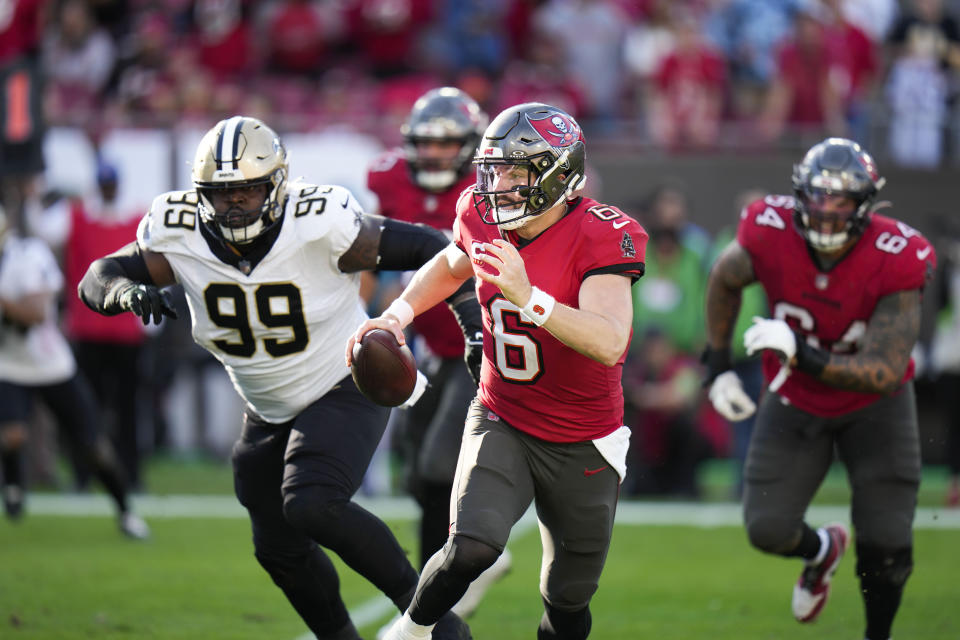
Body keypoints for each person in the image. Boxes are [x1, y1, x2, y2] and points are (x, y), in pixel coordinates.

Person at [78, 116, 477, 640]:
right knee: (278, 549)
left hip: (343, 379)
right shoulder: (178, 233)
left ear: (277, 184)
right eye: (221, 195)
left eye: (247, 190)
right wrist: (123, 293)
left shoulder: (317, 221)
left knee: (312, 502)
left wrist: (470, 319)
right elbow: (97, 276)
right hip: (265, 406)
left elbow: (432, 246)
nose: (235, 205)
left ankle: (435, 621)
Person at [348, 103, 648, 640]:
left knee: (567, 597)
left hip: (584, 436)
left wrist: (529, 298)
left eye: (516, 171)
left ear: (560, 174)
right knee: (470, 546)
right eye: (494, 169)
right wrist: (398, 314)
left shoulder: (603, 234)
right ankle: (412, 632)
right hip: (503, 413)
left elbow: (609, 342)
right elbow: (451, 262)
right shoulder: (481, 212)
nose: (500, 184)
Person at [704, 137, 935, 640]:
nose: (827, 213)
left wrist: (801, 352)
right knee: (767, 528)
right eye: (818, 198)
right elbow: (724, 277)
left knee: (887, 540)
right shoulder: (768, 228)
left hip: (876, 409)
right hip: (796, 400)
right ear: (799, 195)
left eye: (842, 202)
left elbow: (884, 370)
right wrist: (716, 364)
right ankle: (822, 551)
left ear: (866, 205)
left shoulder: (898, 253)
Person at [366, 86, 511, 618]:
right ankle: (454, 565)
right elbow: (372, 255)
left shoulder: (490, 191)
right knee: (416, 473)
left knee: (436, 466)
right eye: (425, 144)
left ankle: (442, 582)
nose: (432, 155)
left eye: (446, 145)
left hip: (482, 343)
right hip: (430, 343)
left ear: (470, 147)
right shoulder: (388, 180)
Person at [0, 205, 149, 538]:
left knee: (93, 445)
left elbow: (37, 312)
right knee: (12, 435)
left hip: (50, 364)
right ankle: (12, 487)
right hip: (8, 363)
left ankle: (125, 509)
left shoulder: (27, 255)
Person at [63, 160, 149, 489]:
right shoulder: (81, 218)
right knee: (86, 408)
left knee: (128, 409)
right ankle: (84, 475)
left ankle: (130, 474)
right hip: (89, 330)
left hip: (126, 332)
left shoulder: (135, 221)